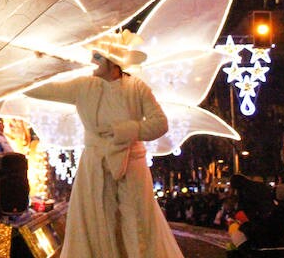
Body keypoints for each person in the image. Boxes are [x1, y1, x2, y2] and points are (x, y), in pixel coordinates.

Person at [25, 30, 182, 258]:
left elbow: (160, 124)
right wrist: (39, 65)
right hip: (95, 164)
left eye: (97, 57)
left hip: (132, 164)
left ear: (112, 62)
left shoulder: (137, 88)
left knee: (136, 222)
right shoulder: (83, 86)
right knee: (97, 221)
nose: (92, 61)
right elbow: (38, 90)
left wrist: (126, 130)